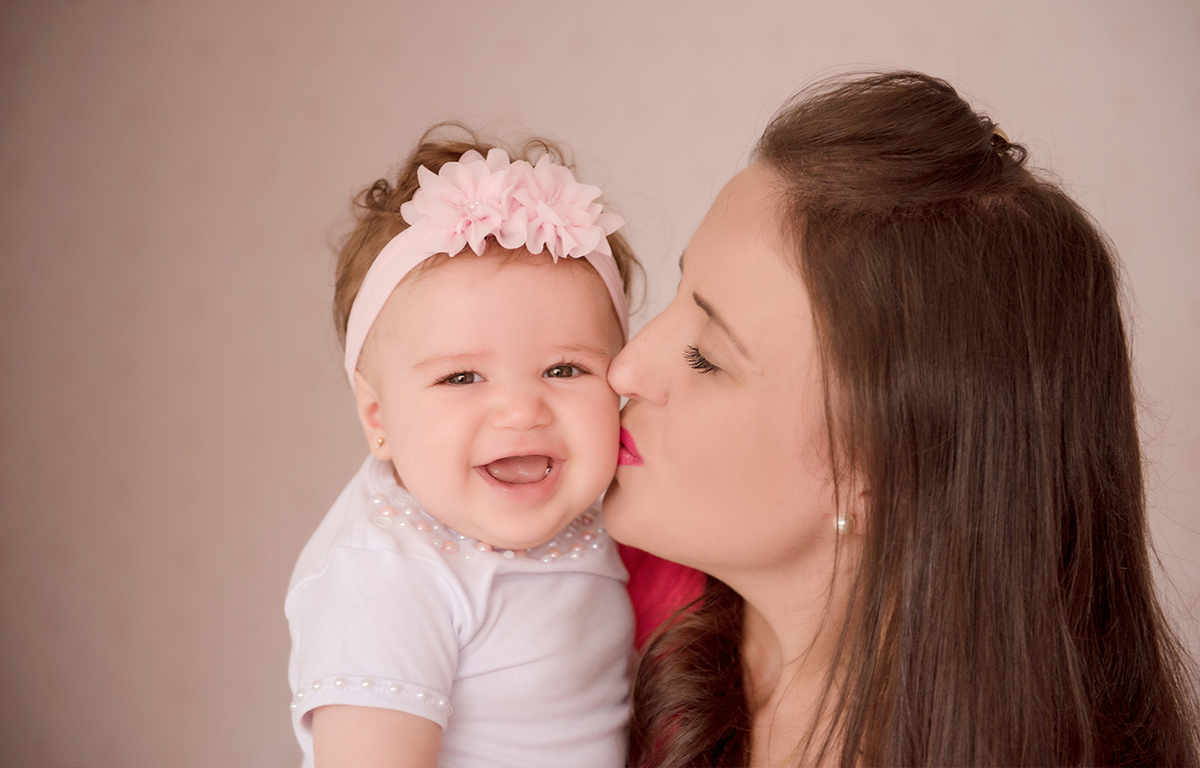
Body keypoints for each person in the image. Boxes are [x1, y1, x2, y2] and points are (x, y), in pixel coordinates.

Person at [605, 71, 1200, 766]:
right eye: (679, 294)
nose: (624, 369)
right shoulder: (586, 596)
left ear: (887, 471)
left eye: (706, 356)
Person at [285, 128, 641, 767]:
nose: (521, 409)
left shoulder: (607, 515)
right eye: (461, 377)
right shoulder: (388, 572)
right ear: (377, 415)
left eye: (565, 369)